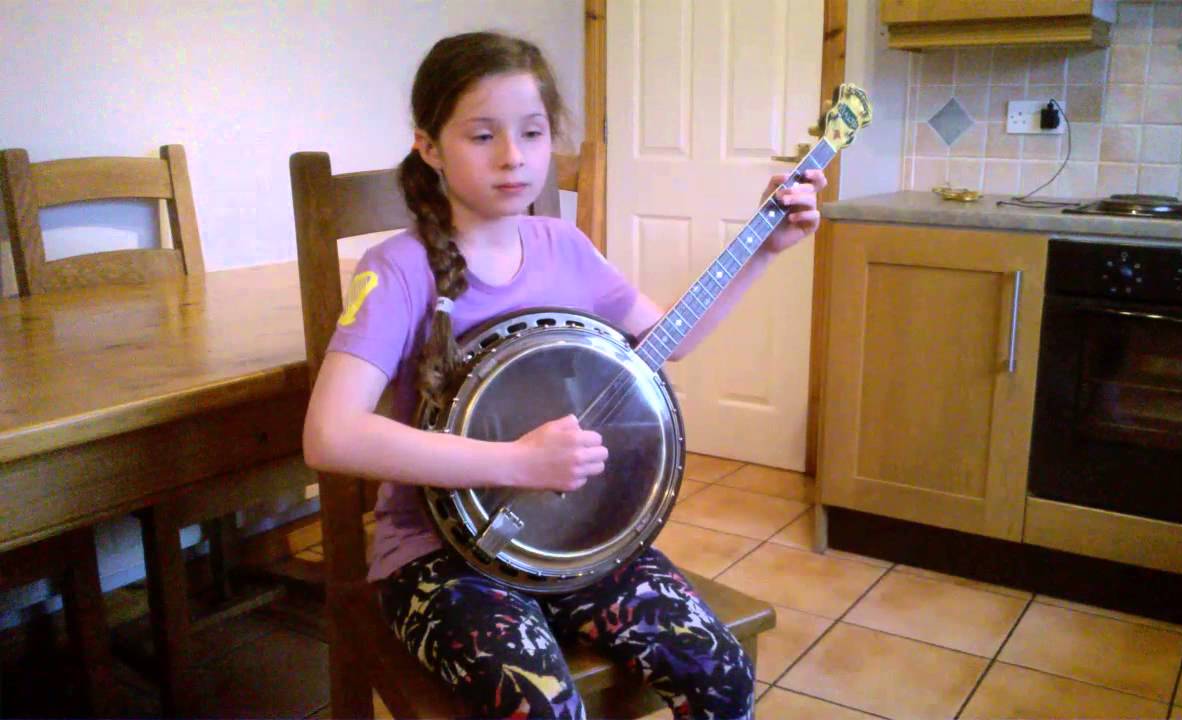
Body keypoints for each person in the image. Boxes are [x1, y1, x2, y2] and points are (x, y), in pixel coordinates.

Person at [302, 31, 826, 720]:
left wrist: (763, 250)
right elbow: (329, 436)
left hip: (573, 544)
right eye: (482, 135)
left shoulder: (565, 247)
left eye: (532, 132)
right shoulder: (398, 270)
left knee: (719, 669)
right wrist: (516, 462)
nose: (514, 156)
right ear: (429, 147)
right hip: (437, 562)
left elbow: (671, 338)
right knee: (543, 708)